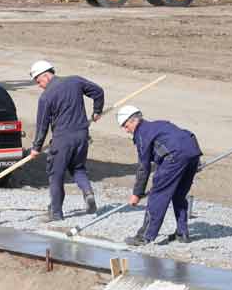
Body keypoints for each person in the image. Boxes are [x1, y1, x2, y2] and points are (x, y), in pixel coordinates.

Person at [29, 60, 104, 221]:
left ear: (46, 75)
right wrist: (97, 111)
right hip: (82, 135)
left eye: (38, 81)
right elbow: (98, 91)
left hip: (62, 140)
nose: (39, 85)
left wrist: (36, 147)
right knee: (78, 168)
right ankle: (88, 193)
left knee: (56, 175)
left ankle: (56, 213)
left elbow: (42, 125)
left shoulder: (46, 97)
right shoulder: (75, 81)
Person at [117, 105, 202, 246]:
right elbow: (187, 134)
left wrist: (137, 194)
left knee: (157, 195)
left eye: (125, 126)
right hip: (192, 152)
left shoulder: (141, 134)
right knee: (179, 195)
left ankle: (145, 236)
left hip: (175, 158)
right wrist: (193, 161)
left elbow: (144, 167)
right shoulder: (160, 124)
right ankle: (183, 233)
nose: (126, 130)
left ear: (134, 121)